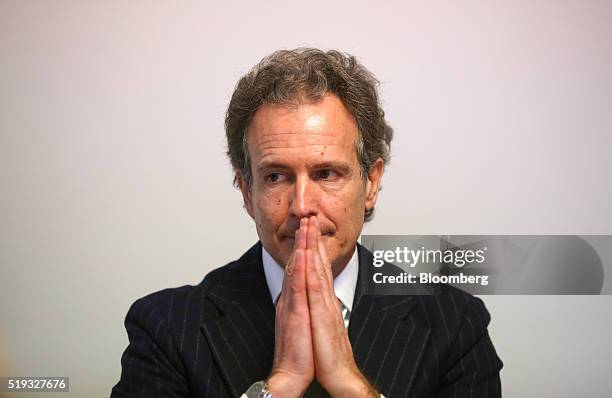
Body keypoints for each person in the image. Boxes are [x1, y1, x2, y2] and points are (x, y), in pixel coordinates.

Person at [111, 48, 503, 398]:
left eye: (327, 174)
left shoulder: (455, 326)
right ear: (247, 191)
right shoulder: (165, 327)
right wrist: (280, 384)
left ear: (371, 183)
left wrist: (350, 386)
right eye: (276, 176)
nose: (301, 206)